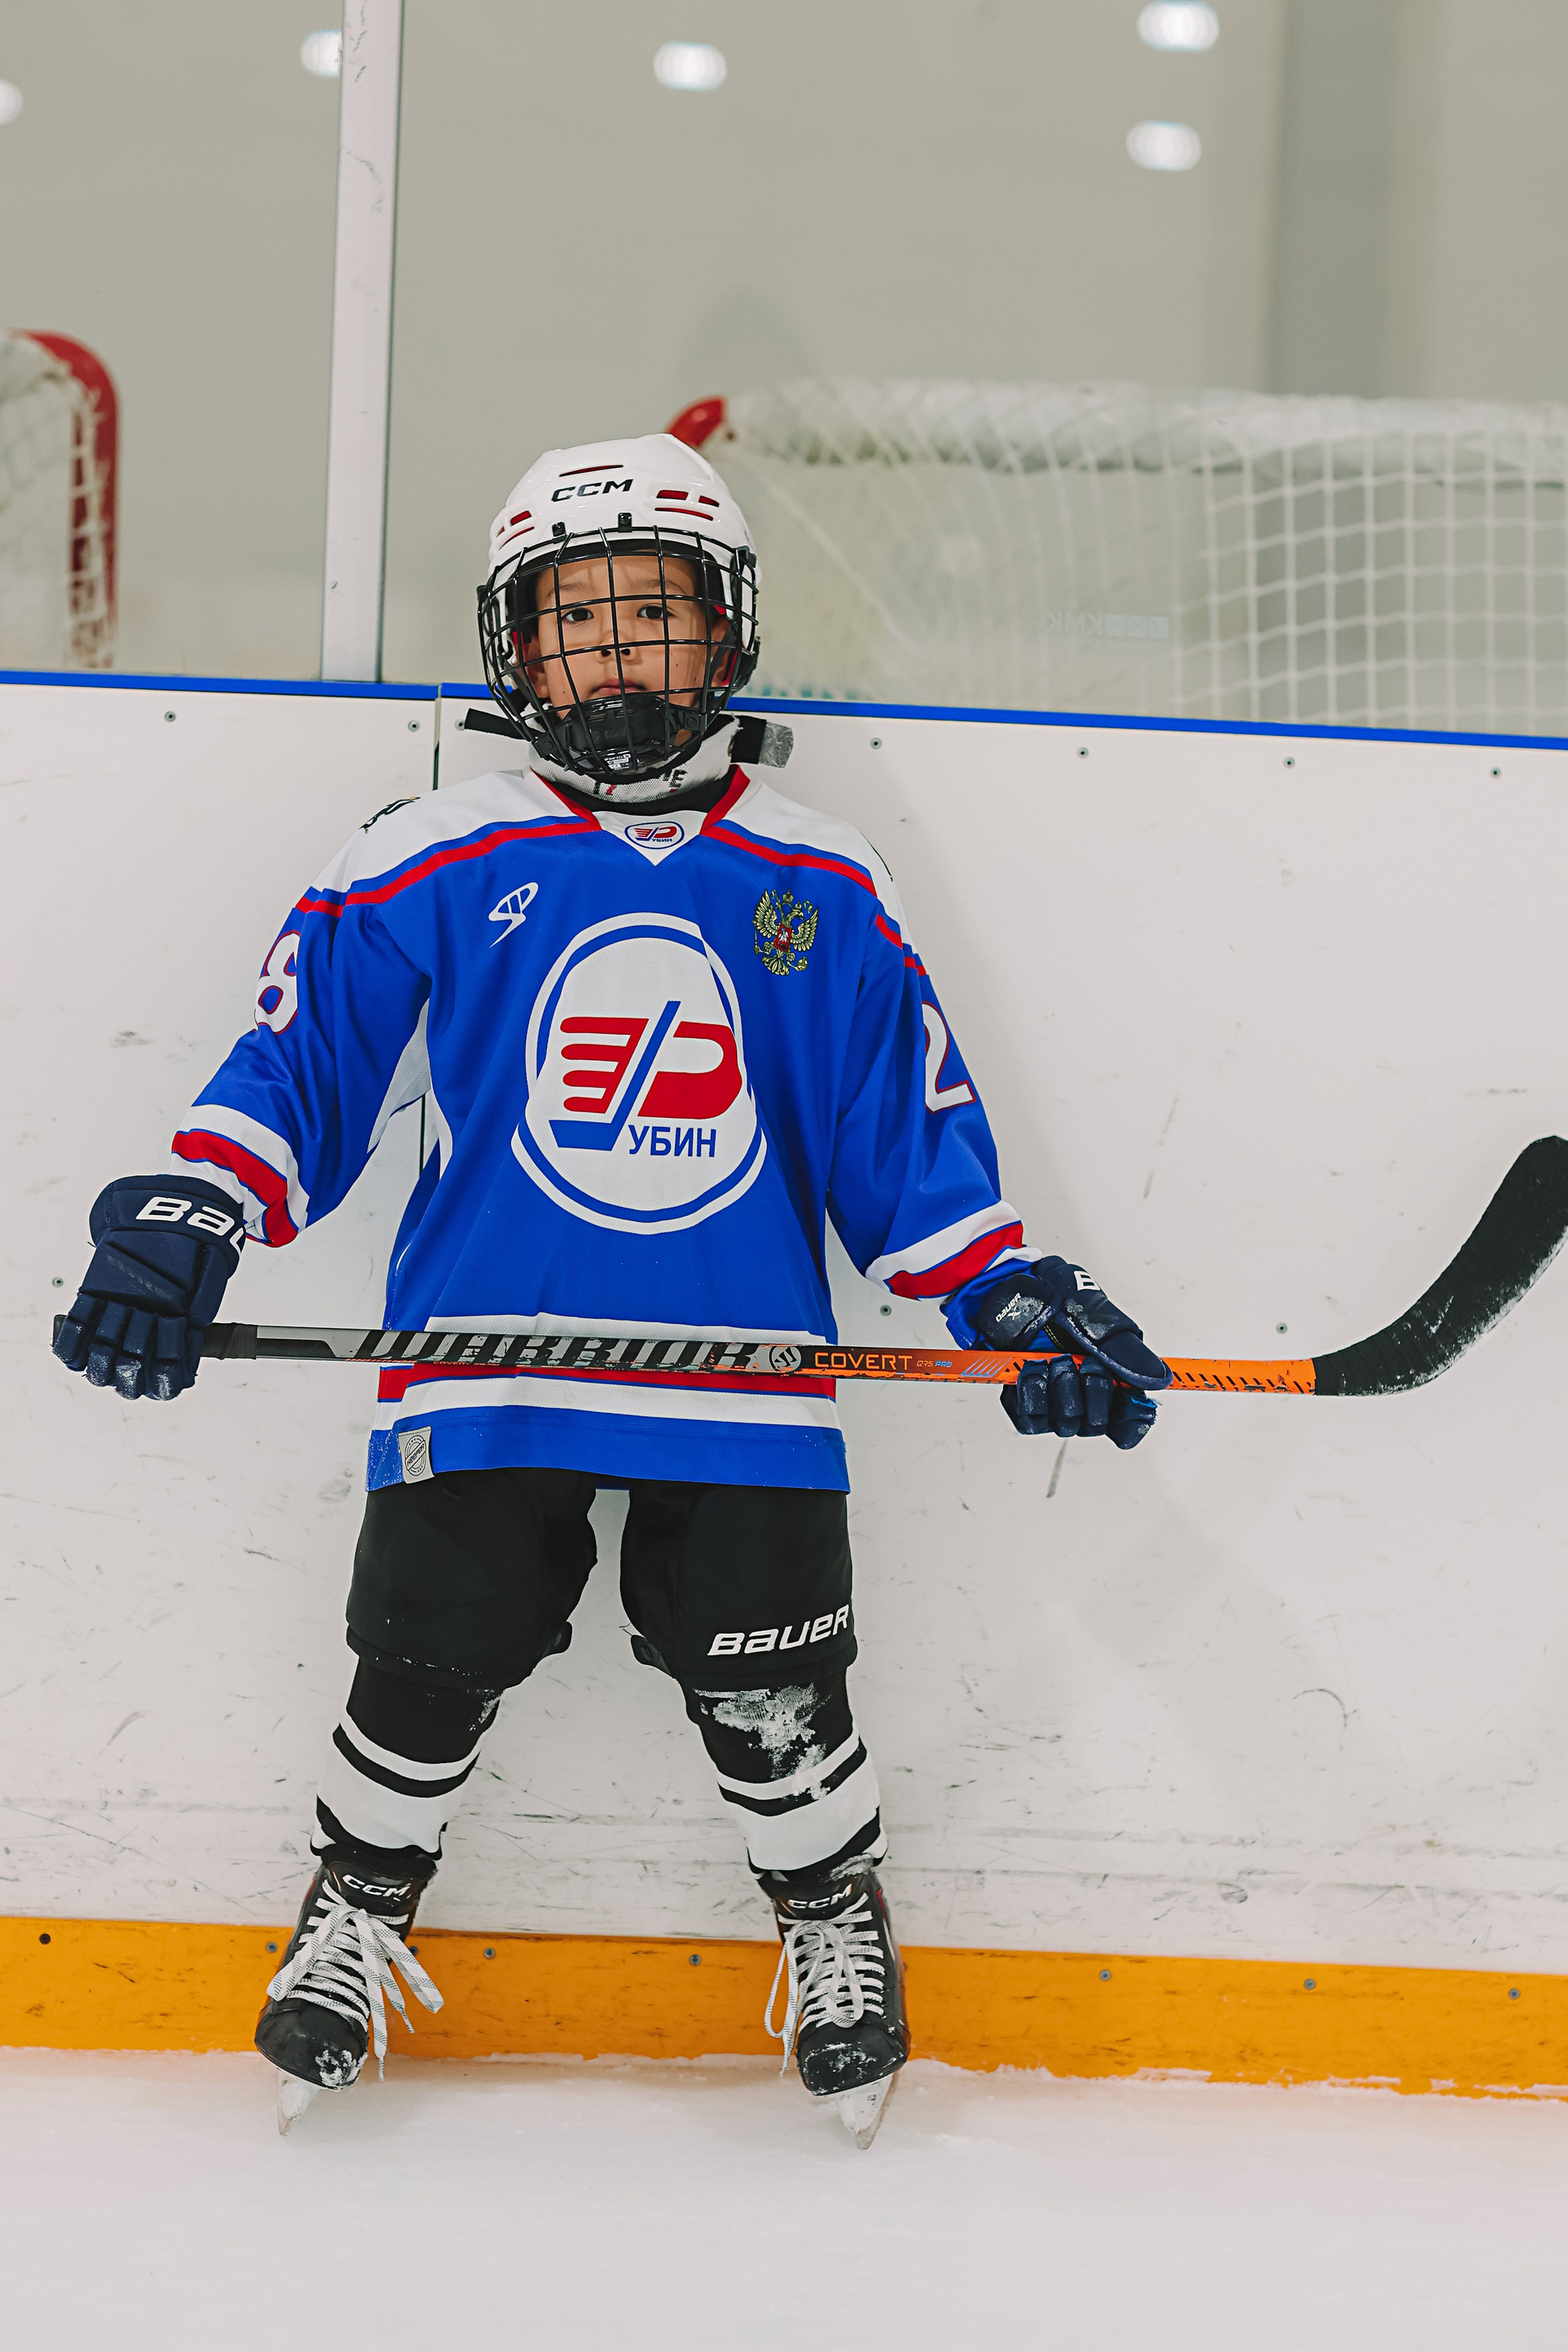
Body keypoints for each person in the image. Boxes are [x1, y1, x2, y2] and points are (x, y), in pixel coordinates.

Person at [52, 432, 1170, 2146]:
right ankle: (355, 1906)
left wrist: (1005, 1298)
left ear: (723, 629)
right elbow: (301, 1065)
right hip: (484, 1361)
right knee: (419, 1665)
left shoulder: (817, 874)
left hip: (745, 1373)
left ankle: (831, 1917)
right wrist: (195, 1212)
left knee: (774, 1689)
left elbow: (899, 1133)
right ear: (519, 648)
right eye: (575, 622)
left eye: (650, 613)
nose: (614, 654)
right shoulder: (424, 850)